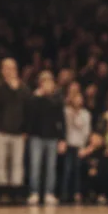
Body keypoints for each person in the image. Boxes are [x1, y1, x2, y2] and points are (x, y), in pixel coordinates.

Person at [0, 58, 30, 203]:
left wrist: (26, 130)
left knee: (17, 163)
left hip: (19, 132)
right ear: (2, 70)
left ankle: (16, 193)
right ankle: (2, 193)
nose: (9, 71)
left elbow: (27, 111)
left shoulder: (23, 89)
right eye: (6, 68)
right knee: (1, 163)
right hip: (1, 131)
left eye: (11, 68)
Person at [24, 71, 65, 206]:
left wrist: (62, 139)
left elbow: (61, 120)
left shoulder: (56, 100)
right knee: (35, 165)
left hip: (52, 137)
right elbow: (30, 115)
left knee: (51, 167)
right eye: (44, 82)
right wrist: (37, 97)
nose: (47, 85)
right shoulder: (34, 99)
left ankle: (49, 193)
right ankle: (34, 192)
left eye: (49, 82)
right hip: (36, 136)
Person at [62, 91, 92, 203]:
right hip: (69, 144)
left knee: (77, 170)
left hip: (80, 145)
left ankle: (76, 193)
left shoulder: (85, 114)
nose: (77, 101)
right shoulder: (66, 111)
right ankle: (64, 194)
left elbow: (86, 131)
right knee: (67, 170)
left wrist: (84, 146)